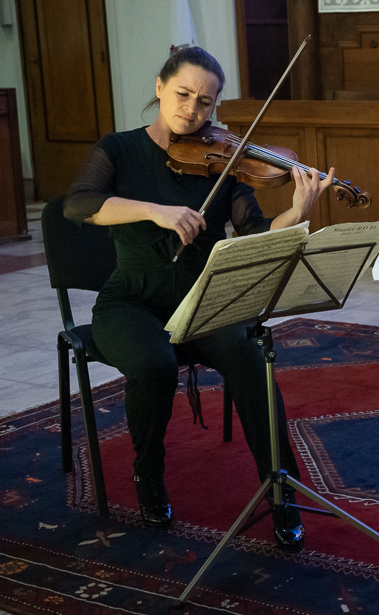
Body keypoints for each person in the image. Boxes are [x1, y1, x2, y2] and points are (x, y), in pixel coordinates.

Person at [64, 46, 334, 551]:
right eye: (183, 94)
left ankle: (281, 492)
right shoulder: (119, 149)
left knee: (251, 358)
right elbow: (78, 204)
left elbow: (256, 234)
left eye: (205, 102)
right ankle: (148, 475)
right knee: (154, 364)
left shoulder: (222, 161)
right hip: (131, 300)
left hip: (203, 301)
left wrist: (297, 212)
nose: (191, 110)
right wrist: (155, 210)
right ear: (160, 87)